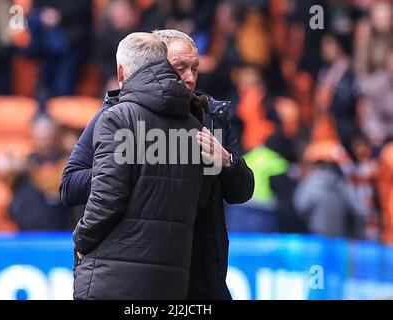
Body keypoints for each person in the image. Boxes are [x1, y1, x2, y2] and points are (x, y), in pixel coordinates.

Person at [61, 29, 254, 300]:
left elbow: (242, 192)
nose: (189, 77)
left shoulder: (211, 118)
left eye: (195, 68)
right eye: (179, 68)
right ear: (156, 66)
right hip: (143, 267)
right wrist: (130, 167)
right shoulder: (119, 113)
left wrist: (228, 162)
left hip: (201, 273)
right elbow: (70, 185)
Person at [73, 32, 204, 300]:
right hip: (173, 280)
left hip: (114, 279)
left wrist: (82, 240)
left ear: (121, 71)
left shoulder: (118, 118)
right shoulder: (195, 126)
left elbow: (107, 197)